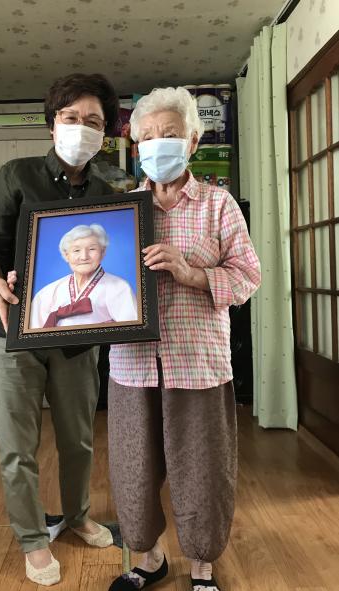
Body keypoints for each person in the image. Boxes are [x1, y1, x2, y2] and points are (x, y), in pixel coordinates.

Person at [0, 72, 119, 587]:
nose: (81, 127)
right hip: (10, 330)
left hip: (78, 337)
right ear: (52, 124)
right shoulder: (16, 175)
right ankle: (33, 539)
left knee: (79, 437)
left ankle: (78, 515)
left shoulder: (108, 192)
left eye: (93, 121)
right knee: (17, 444)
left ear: (106, 133)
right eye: (71, 117)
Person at [107, 87, 261, 591]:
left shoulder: (219, 205)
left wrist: (193, 274)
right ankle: (149, 559)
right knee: (133, 469)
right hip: (132, 365)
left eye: (170, 134)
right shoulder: (120, 210)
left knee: (203, 470)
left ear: (193, 141)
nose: (158, 143)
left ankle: (202, 566)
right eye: (148, 136)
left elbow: (248, 276)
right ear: (136, 147)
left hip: (199, 363)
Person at [28, 223, 138, 328]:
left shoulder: (119, 288)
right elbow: (32, 334)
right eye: (76, 250)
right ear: (66, 255)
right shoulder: (47, 293)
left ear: (103, 252)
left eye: (92, 249)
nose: (84, 257)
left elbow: (133, 331)